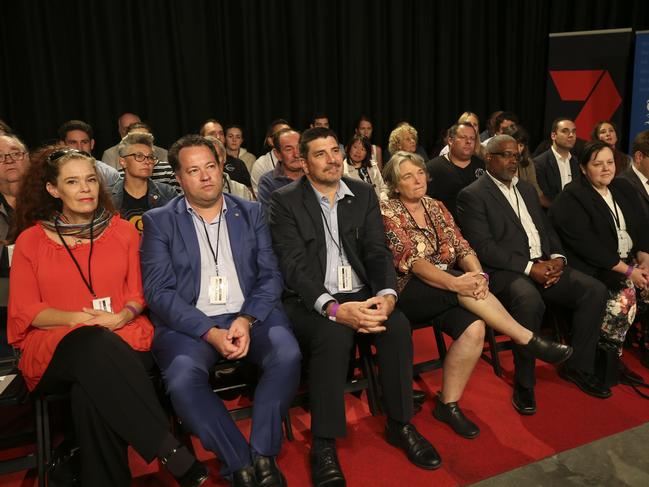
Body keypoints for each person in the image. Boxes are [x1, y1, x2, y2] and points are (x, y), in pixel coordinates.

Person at [7, 146, 207, 487]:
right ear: (53, 190)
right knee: (92, 344)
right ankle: (169, 448)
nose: (85, 189)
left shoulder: (124, 232)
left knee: (90, 391)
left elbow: (139, 295)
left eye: (90, 180)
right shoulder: (30, 241)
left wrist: (121, 316)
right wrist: (78, 320)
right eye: (72, 182)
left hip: (124, 334)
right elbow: (27, 311)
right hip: (56, 346)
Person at [269, 127, 441, 487]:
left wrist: (387, 296)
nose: (332, 159)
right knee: (332, 337)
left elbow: (377, 252)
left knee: (396, 327)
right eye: (320, 153)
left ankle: (400, 424)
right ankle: (324, 443)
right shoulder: (285, 201)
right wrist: (333, 308)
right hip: (310, 298)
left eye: (335, 150)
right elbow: (293, 267)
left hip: (362, 291)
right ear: (303, 161)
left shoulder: (362, 193)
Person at [140, 135, 301, 487]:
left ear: (221, 168)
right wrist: (208, 332)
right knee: (182, 380)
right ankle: (238, 462)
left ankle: (262, 454)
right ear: (179, 179)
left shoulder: (252, 212)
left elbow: (271, 275)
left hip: (250, 314)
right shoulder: (159, 221)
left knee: (286, 354)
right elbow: (158, 292)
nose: (205, 176)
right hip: (191, 325)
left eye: (210, 166)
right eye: (193, 170)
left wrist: (246, 319)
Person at [380, 151, 571, 435]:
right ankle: (526, 338)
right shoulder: (387, 211)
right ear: (396, 185)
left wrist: (479, 276)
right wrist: (458, 283)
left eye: (420, 172)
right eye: (408, 176)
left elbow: (463, 246)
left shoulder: (436, 206)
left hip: (451, 288)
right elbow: (414, 263)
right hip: (410, 291)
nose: (418, 179)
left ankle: (448, 404)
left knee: (475, 329)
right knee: (463, 285)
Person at [457, 135, 611, 412]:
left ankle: (577, 366)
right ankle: (525, 382)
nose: (512, 161)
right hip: (506, 272)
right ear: (488, 158)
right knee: (529, 301)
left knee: (594, 290)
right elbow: (484, 248)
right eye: (505, 155)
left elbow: (546, 229)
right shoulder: (473, 194)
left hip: (543, 264)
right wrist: (530, 268)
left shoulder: (527, 189)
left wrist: (558, 259)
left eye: (515, 155)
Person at [549, 141, 649, 382]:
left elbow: (642, 228)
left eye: (610, 162)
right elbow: (587, 246)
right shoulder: (572, 196)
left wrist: (645, 259)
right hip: (592, 266)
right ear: (583, 168)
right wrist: (629, 272)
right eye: (597, 164)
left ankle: (614, 357)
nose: (606, 169)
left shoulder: (623, 188)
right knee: (624, 296)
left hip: (628, 262)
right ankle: (601, 362)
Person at [110, 132, 177, 232]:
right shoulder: (108, 197)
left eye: (150, 157)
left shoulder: (167, 193)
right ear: (123, 162)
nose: (147, 161)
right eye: (139, 156)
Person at [426, 122, 485, 218]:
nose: (468, 142)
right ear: (450, 140)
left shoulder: (482, 165)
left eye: (472, 138)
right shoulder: (433, 168)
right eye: (463, 137)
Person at [57, 119, 121, 188]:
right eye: (73, 142)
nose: (79, 148)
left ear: (92, 144)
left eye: (84, 142)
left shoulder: (108, 173)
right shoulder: (54, 172)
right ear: (62, 145)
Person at [533, 117, 579, 208]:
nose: (571, 135)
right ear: (553, 135)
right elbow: (542, 197)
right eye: (565, 131)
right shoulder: (539, 163)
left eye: (573, 131)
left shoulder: (577, 162)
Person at [101, 113, 168, 169]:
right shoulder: (110, 154)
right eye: (126, 129)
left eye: (136, 127)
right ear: (119, 131)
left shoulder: (163, 153)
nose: (132, 133)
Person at [257, 128, 303, 209]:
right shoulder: (268, 182)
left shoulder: (315, 175)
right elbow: (269, 218)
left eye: (299, 147)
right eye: (289, 149)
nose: (296, 154)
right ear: (278, 154)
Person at [199, 119, 252, 188]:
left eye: (221, 133)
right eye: (212, 133)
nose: (218, 137)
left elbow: (249, 193)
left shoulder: (238, 164)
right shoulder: (194, 164)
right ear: (202, 138)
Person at [205, 136, 254, 201]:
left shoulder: (242, 191)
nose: (212, 161)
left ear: (224, 158)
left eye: (216, 156)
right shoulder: (191, 190)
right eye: (206, 158)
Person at [342, 134, 388, 201]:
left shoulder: (373, 165)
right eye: (355, 147)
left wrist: (382, 199)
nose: (358, 152)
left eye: (363, 149)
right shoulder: (343, 171)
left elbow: (383, 188)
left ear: (367, 152)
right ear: (349, 148)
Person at [250, 119, 291, 194]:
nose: (288, 138)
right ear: (270, 141)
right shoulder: (260, 164)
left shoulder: (301, 160)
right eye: (282, 134)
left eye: (289, 133)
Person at [503, 125, 542, 198]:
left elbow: (535, 190)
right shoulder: (497, 162)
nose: (517, 150)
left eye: (521, 145)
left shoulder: (527, 162)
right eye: (514, 144)